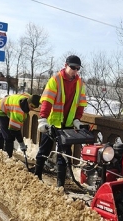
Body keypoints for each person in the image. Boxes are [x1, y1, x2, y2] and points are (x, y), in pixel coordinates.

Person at [34, 55, 87, 187]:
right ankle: (36, 176)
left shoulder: (80, 84)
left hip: (67, 125)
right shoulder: (55, 80)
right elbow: (47, 101)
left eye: (77, 68)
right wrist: (43, 119)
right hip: (52, 123)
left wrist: (77, 120)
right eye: (72, 67)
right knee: (44, 150)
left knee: (64, 154)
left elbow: (80, 104)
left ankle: (60, 185)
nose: (75, 71)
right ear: (65, 65)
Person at [0, 93, 41, 158]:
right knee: (9, 137)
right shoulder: (19, 112)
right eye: (31, 106)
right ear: (28, 102)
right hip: (0, 111)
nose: (32, 109)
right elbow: (14, 130)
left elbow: (23, 93)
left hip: (6, 108)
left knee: (3, 131)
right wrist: (21, 143)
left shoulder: (27, 97)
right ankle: (8, 158)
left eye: (35, 107)